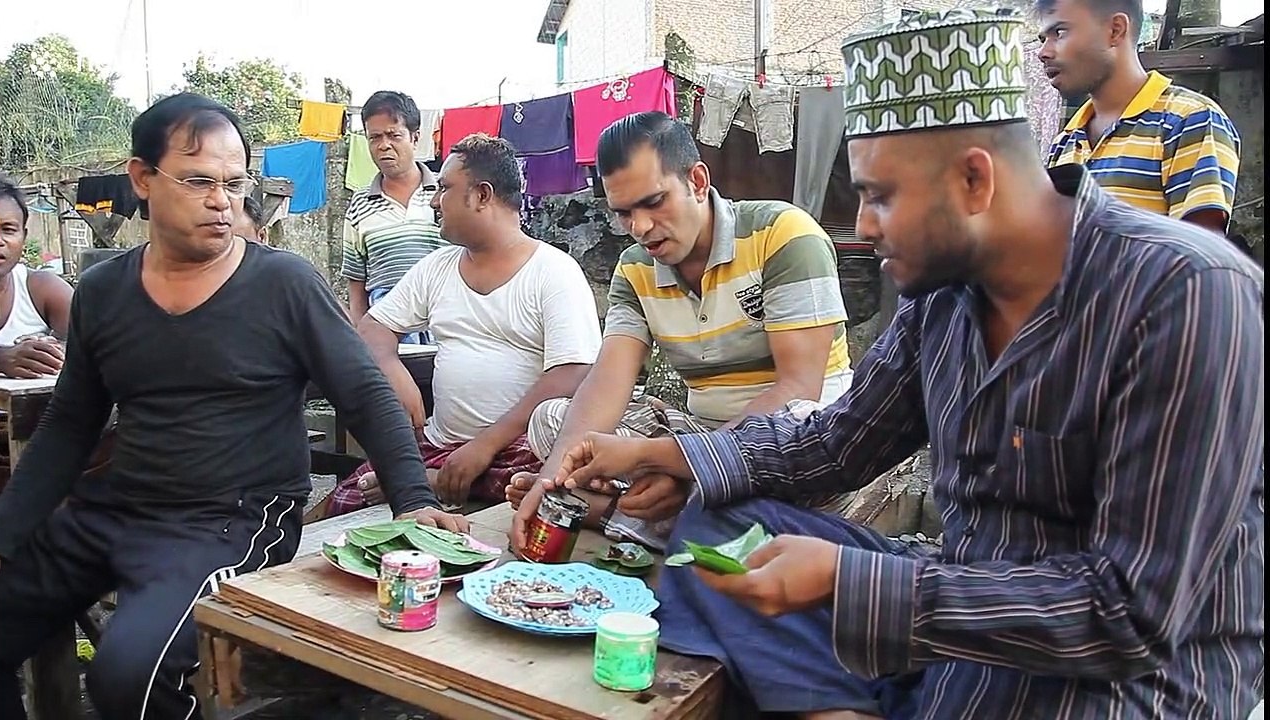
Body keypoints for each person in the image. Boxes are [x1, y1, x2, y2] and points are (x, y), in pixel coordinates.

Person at [532, 9, 1264, 719]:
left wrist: (859, 585)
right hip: (964, 620)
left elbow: (1131, 612)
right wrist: (669, 454)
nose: (867, 225)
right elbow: (833, 445)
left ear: (974, 182)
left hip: (1130, 677)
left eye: (880, 197)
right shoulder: (943, 298)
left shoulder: (1187, 293)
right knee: (718, 524)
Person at [0, 93, 463, 720]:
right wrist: (2, 536)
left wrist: (414, 501)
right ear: (141, 179)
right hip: (120, 507)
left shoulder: (282, 284)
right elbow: (69, 425)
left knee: (130, 676)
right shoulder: (104, 291)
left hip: (234, 520)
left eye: (233, 183)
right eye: (198, 181)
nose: (222, 201)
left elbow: (365, 392)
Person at [510, 111, 854, 549]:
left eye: (654, 202)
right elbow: (606, 383)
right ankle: (679, 513)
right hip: (703, 432)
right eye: (624, 213)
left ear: (696, 181)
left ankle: (628, 513)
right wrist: (549, 480)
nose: (640, 228)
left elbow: (798, 388)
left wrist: (687, 465)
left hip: (788, 437)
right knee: (554, 423)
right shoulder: (635, 269)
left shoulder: (784, 235)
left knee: (806, 429)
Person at [327, 134, 601, 514]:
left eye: (444, 189)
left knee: (546, 478)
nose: (436, 201)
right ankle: (435, 477)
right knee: (345, 498)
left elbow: (572, 372)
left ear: (482, 195)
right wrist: (392, 369)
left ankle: (437, 481)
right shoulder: (437, 267)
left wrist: (485, 445)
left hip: (515, 451)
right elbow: (373, 328)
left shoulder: (553, 272)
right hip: (440, 444)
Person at [1039, 0, 1241, 234]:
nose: (1043, 53)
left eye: (1060, 32)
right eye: (1042, 39)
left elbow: (1200, 257)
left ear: (1115, 30)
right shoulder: (1065, 141)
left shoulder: (1189, 120)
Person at [342, 90, 446, 339]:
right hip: (387, 332)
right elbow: (357, 283)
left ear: (415, 138)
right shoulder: (359, 204)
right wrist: (363, 337)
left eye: (393, 135)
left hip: (445, 324)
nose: (383, 145)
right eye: (374, 137)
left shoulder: (446, 193)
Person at [0, 171, 73, 379]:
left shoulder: (42, 290)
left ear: (24, 236)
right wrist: (1, 359)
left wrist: (54, 352)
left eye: (8, 229)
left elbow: (97, 345)